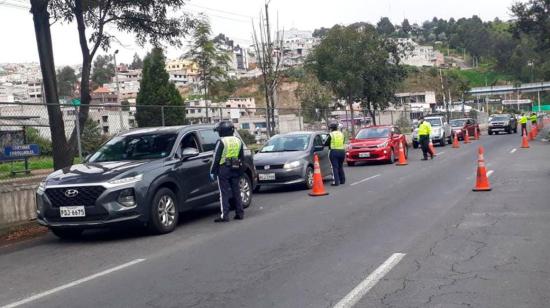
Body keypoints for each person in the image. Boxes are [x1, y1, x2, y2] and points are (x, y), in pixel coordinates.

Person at [210, 121, 245, 223]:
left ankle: (224, 216)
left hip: (224, 169)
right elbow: (241, 157)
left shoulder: (221, 141)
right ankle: (240, 213)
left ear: (222, 131)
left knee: (224, 193)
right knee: (236, 191)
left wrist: (213, 171)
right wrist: (241, 171)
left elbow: (216, 158)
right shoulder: (238, 140)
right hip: (236, 167)